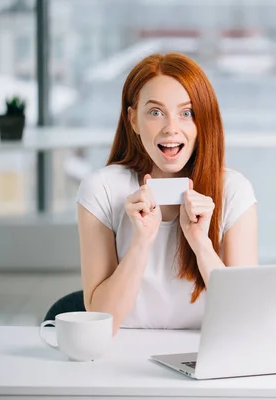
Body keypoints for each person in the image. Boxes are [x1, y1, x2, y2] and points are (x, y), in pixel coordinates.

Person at [76, 53, 258, 334]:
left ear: (203, 122)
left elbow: (248, 318)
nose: (171, 128)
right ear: (133, 119)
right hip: (122, 356)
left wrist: (201, 245)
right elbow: (102, 323)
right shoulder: (101, 190)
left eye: (187, 113)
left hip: (205, 355)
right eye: (155, 112)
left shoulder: (233, 191)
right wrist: (141, 242)